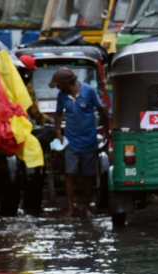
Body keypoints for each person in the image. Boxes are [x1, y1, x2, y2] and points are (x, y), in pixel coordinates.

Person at [50, 67, 109, 218]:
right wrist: (58, 132)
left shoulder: (89, 91)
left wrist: (107, 132)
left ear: (65, 83)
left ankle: (86, 207)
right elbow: (58, 114)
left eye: (58, 84)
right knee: (70, 174)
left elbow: (101, 110)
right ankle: (70, 209)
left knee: (88, 176)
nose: (57, 87)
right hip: (71, 141)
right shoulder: (62, 96)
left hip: (89, 140)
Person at [17, 55, 53, 126]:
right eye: (32, 70)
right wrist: (47, 120)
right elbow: (33, 110)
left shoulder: (9, 80)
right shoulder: (26, 86)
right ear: (27, 71)